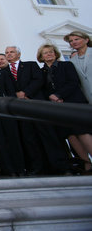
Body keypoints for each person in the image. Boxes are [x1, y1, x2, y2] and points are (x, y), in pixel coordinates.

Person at [37, 43, 91, 174]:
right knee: (69, 135)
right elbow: (42, 89)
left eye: (51, 52)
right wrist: (52, 97)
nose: (49, 54)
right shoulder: (41, 72)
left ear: (55, 54)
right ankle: (87, 164)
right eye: (46, 53)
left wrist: (59, 95)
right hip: (56, 107)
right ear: (41, 57)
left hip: (73, 103)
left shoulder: (66, 65)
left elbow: (73, 82)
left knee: (82, 132)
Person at [5, 45, 47, 175]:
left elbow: (39, 80)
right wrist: (16, 96)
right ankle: (36, 167)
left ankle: (58, 165)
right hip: (20, 109)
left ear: (19, 54)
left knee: (46, 135)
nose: (9, 54)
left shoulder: (31, 65)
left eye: (12, 52)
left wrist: (25, 92)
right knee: (29, 139)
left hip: (35, 105)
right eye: (7, 53)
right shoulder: (4, 71)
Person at [64, 31, 92, 103]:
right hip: (88, 96)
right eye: (71, 41)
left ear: (86, 40)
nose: (73, 42)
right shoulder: (72, 61)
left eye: (77, 39)